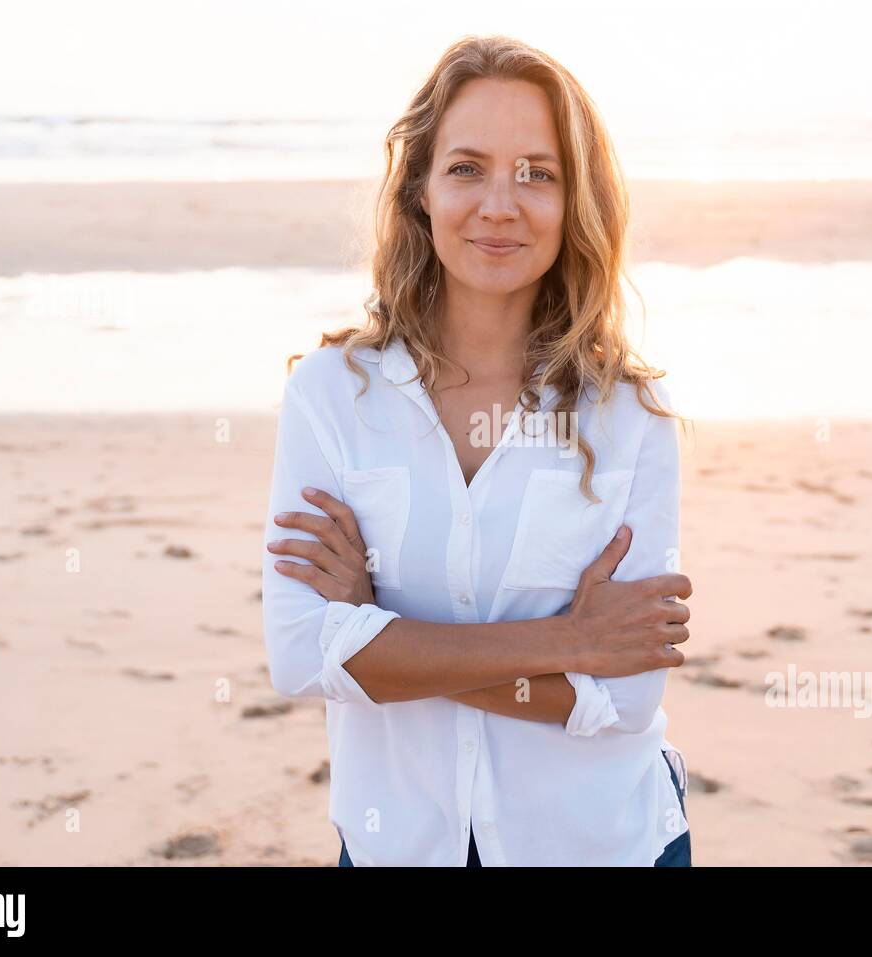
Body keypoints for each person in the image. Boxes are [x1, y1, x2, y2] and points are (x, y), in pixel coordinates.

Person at [261, 34, 693, 866]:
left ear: (576, 202)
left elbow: (625, 697)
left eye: (538, 172)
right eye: (467, 167)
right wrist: (567, 640)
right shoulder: (329, 396)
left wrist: (378, 635)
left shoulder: (632, 415)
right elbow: (298, 655)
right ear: (421, 189)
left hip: (599, 844)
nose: (501, 203)